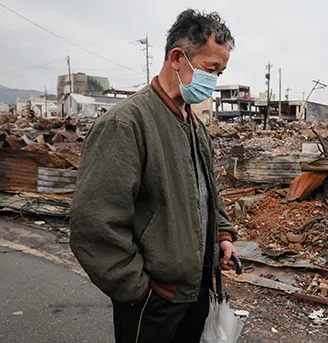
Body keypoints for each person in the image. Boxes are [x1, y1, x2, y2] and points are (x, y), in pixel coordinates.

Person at [70, 9, 238, 343]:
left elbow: (208, 195)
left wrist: (223, 237)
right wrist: (140, 290)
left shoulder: (194, 127)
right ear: (178, 58)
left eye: (220, 73)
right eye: (210, 69)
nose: (214, 82)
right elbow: (94, 223)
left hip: (194, 292)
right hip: (153, 300)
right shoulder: (126, 124)